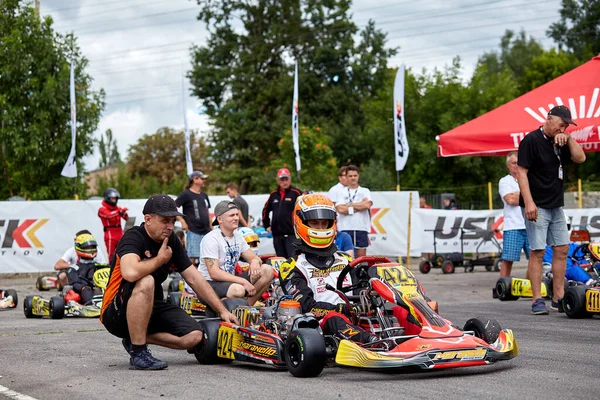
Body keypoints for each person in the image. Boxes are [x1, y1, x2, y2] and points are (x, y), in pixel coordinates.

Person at [100, 194, 237, 370]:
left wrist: (222, 310)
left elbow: (194, 278)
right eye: (165, 221)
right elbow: (130, 272)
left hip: (152, 306)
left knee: (194, 336)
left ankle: (135, 338)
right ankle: (138, 352)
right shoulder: (133, 237)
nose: (170, 226)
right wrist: (160, 259)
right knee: (146, 280)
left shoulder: (170, 239)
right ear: (148, 219)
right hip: (115, 312)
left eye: (173, 221)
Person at [279, 194, 378, 343]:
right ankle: (373, 342)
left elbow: (361, 291)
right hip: (320, 326)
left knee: (399, 310)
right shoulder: (291, 267)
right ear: (302, 223)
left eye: (324, 223)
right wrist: (344, 309)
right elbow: (307, 306)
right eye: (314, 223)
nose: (320, 228)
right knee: (334, 318)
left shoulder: (346, 260)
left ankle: (421, 338)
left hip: (357, 318)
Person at [517, 105, 586, 315]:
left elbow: (580, 158)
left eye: (566, 125)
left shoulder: (562, 141)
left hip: (556, 205)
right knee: (537, 252)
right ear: (549, 119)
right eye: (561, 124)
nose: (563, 128)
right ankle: (537, 299)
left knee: (562, 249)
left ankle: (558, 297)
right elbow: (521, 172)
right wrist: (529, 202)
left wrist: (570, 138)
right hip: (537, 204)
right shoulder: (531, 140)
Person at [195, 201, 273, 306]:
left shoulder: (237, 236)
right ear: (220, 219)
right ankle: (218, 307)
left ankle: (245, 307)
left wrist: (254, 261)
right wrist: (243, 281)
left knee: (267, 270)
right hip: (208, 284)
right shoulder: (211, 239)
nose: (236, 218)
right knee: (239, 290)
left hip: (229, 281)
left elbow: (254, 257)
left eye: (237, 214)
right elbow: (214, 273)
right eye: (231, 215)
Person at [498, 151, 530, 278]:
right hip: (513, 226)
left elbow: (513, 198)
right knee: (508, 259)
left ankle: (533, 285)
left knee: (536, 258)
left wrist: (517, 195)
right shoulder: (505, 181)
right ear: (508, 165)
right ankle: (503, 285)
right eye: (514, 163)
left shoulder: (529, 178)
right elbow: (510, 200)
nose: (517, 165)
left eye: (519, 163)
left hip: (530, 223)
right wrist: (528, 196)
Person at [261, 167, 302, 258]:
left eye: (286, 179)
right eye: (282, 179)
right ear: (278, 180)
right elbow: (265, 210)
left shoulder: (296, 193)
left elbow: (304, 210)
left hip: (292, 235)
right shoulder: (273, 194)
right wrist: (266, 225)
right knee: (280, 260)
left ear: (290, 179)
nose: (284, 182)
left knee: (292, 259)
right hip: (277, 235)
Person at [334, 165, 372, 258]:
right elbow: (340, 209)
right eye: (350, 176)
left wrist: (348, 205)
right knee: (344, 257)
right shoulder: (341, 192)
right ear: (346, 177)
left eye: (355, 175)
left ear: (358, 176)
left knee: (361, 258)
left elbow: (367, 205)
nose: (353, 178)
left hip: (361, 227)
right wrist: (360, 205)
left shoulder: (365, 191)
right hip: (345, 227)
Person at [176, 171, 212, 267]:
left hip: (206, 231)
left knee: (208, 256)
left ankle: (206, 278)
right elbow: (173, 207)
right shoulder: (186, 194)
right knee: (192, 257)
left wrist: (211, 227)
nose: (204, 180)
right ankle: (188, 280)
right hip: (193, 230)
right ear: (195, 179)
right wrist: (182, 221)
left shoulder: (204, 195)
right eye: (202, 178)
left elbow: (207, 211)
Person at [65, 233, 102, 305]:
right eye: (88, 247)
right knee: (86, 289)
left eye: (92, 246)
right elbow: (74, 283)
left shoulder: (101, 265)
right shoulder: (74, 268)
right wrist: (84, 287)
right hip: (85, 291)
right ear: (79, 247)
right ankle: (91, 305)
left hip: (101, 288)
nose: (91, 249)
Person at [98, 188, 129, 260]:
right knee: (111, 255)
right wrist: (119, 211)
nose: (114, 200)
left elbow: (126, 218)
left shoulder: (117, 208)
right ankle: (111, 269)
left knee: (123, 251)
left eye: (115, 198)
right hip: (110, 234)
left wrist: (123, 213)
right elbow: (108, 215)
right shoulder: (102, 209)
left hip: (119, 233)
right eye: (112, 198)